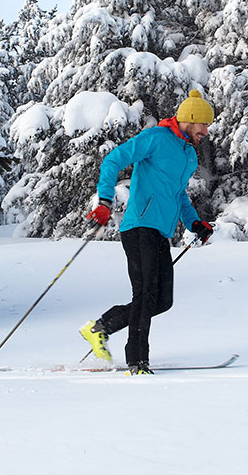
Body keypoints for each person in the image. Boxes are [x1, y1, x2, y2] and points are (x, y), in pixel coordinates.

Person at [80, 90, 215, 375]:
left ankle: (101, 328)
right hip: (139, 226)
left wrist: (195, 223)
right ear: (190, 120)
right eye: (203, 124)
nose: (206, 130)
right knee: (145, 295)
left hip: (160, 232)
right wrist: (105, 200)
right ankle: (138, 361)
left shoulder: (188, 154)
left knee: (162, 300)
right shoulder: (155, 138)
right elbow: (113, 160)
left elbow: (178, 195)